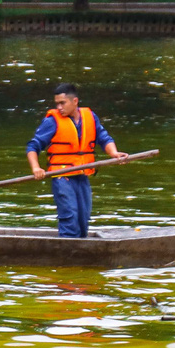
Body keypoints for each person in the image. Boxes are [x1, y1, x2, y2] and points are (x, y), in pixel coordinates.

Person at [25, 82, 125, 238]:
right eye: (57, 103)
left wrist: (114, 153)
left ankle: (80, 253)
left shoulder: (90, 117)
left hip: (82, 175)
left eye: (62, 103)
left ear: (75, 101)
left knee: (83, 220)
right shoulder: (52, 121)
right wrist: (36, 168)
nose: (59, 107)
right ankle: (67, 254)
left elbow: (104, 138)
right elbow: (33, 146)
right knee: (70, 218)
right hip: (62, 176)